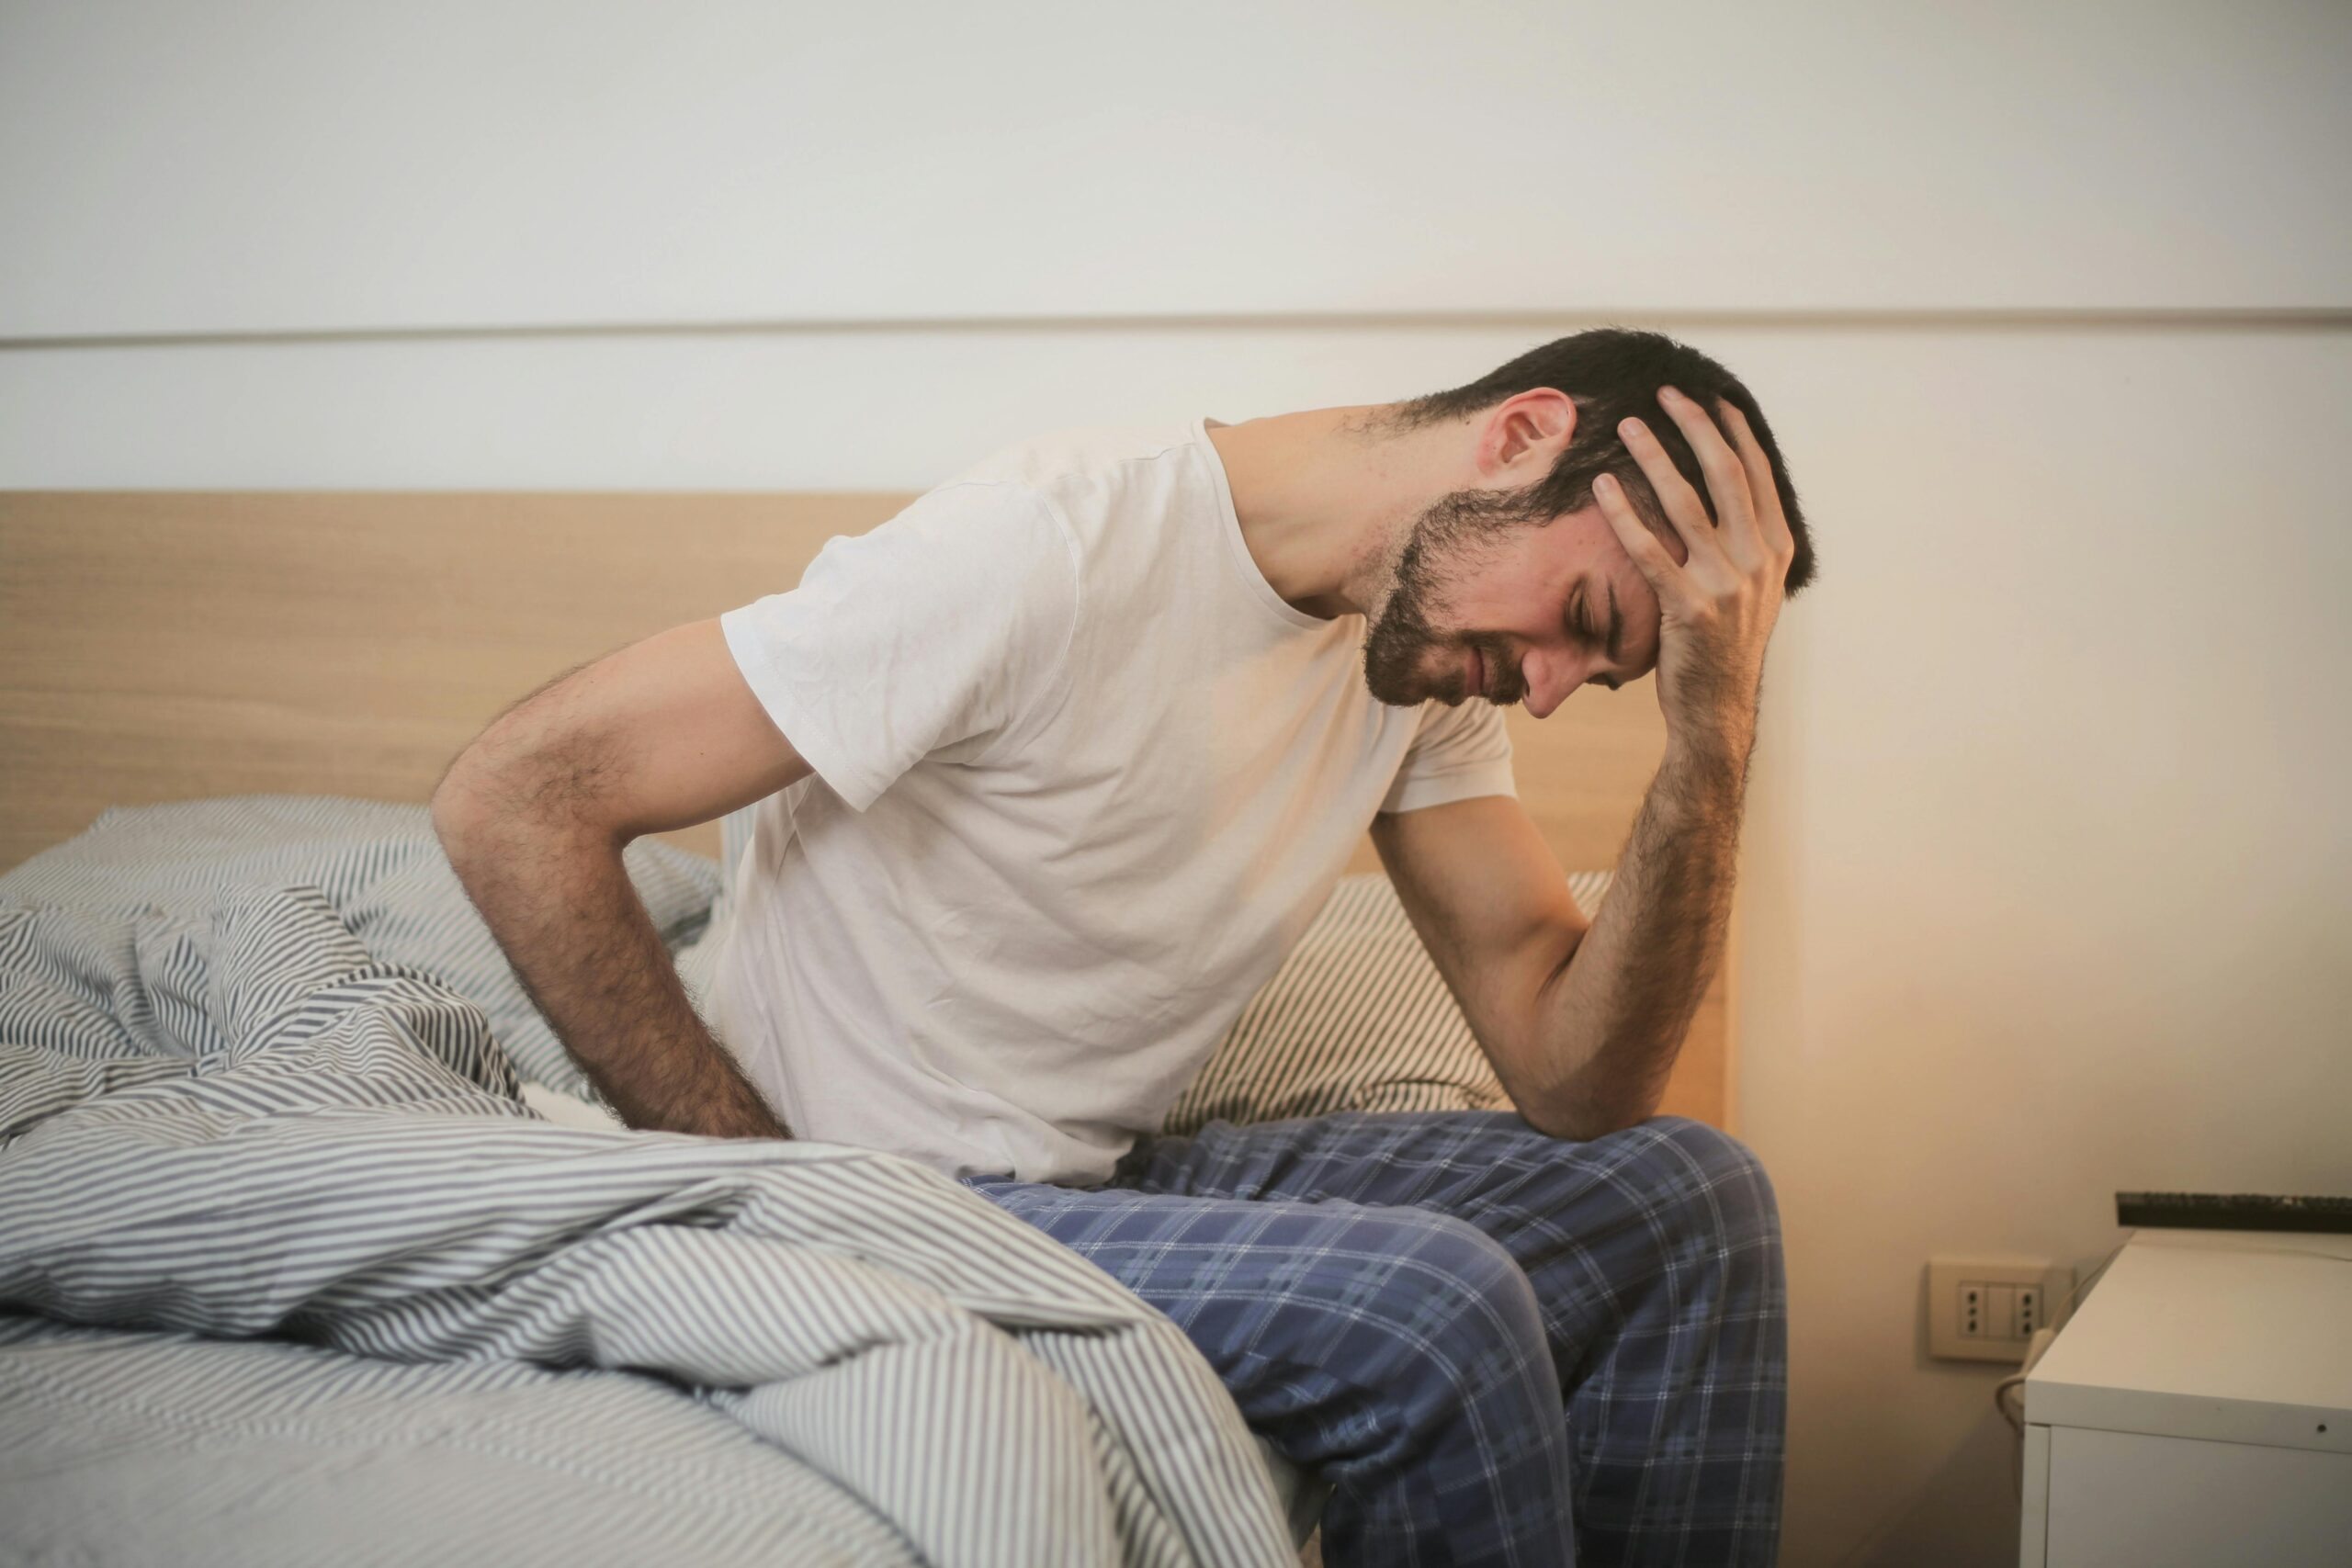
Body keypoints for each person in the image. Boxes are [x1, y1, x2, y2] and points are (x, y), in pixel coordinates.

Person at [434, 326, 1815, 1566]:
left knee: (1685, 1201)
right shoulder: (1046, 548)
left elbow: (1578, 1082)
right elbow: (517, 796)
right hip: (880, 1190)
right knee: (1429, 1314)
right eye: (1582, 623)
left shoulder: (1421, 663)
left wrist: (1713, 734)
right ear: (1519, 437)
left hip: (1088, 1177)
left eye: (1611, 674)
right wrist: (768, 1191)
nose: (1559, 689)